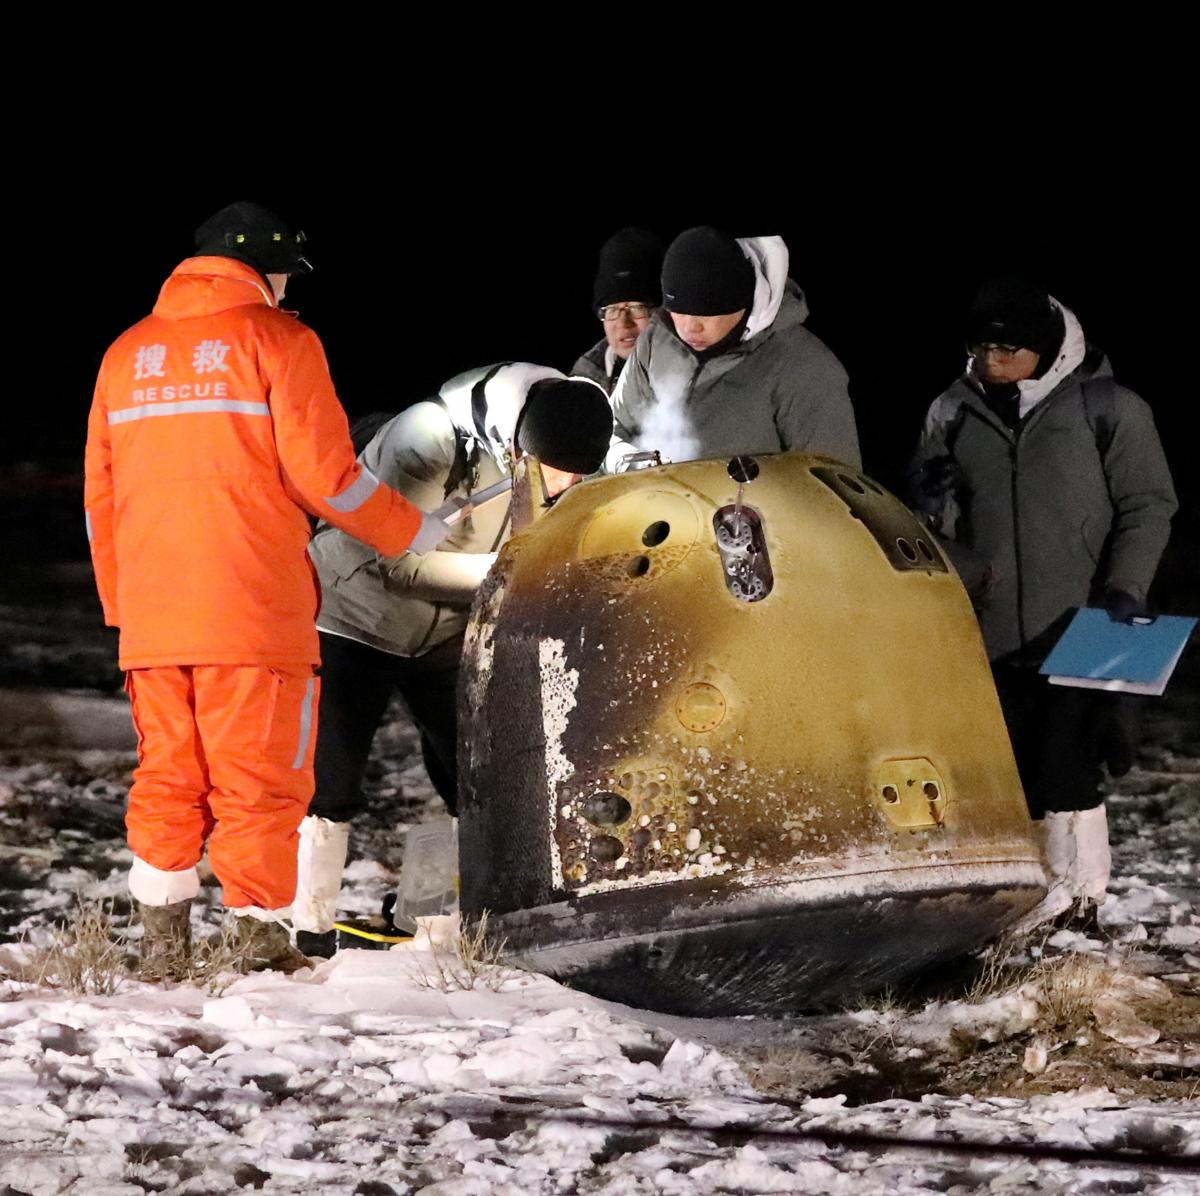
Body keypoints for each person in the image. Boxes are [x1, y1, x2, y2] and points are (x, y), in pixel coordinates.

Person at [83, 201, 448, 977]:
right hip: (251, 607)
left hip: (154, 616)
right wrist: (411, 530)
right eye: (286, 275)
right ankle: (255, 945)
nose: (288, 287)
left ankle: (163, 950)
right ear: (267, 270)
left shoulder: (126, 355)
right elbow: (328, 479)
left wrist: (126, 607)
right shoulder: (281, 340)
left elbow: (99, 499)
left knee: (167, 775)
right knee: (259, 777)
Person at [292, 364, 613, 952]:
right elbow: (400, 561)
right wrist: (516, 574)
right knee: (330, 779)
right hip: (352, 614)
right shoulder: (428, 436)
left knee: (466, 776)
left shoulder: (565, 436)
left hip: (444, 628)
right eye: (556, 469)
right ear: (520, 439)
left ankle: (425, 919)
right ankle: (305, 928)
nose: (565, 482)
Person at [910, 277, 1177, 933]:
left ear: (1047, 350)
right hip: (994, 624)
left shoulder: (1108, 408)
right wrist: (929, 495)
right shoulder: (951, 410)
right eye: (982, 349)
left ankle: (1080, 899)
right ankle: (1032, 898)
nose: (993, 363)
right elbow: (926, 525)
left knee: (1070, 761)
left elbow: (1149, 505)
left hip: (1089, 614)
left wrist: (1127, 585)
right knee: (1017, 764)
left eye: (1009, 350)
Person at [607, 226, 860, 469]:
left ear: (743, 306)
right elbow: (612, 430)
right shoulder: (655, 342)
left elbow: (830, 486)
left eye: (707, 314)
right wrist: (625, 460)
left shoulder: (805, 367)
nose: (690, 327)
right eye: (679, 311)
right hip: (653, 506)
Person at [571, 227, 664, 395]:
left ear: (661, 311)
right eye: (612, 310)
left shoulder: (696, 375)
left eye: (636, 308)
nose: (623, 323)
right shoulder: (586, 378)